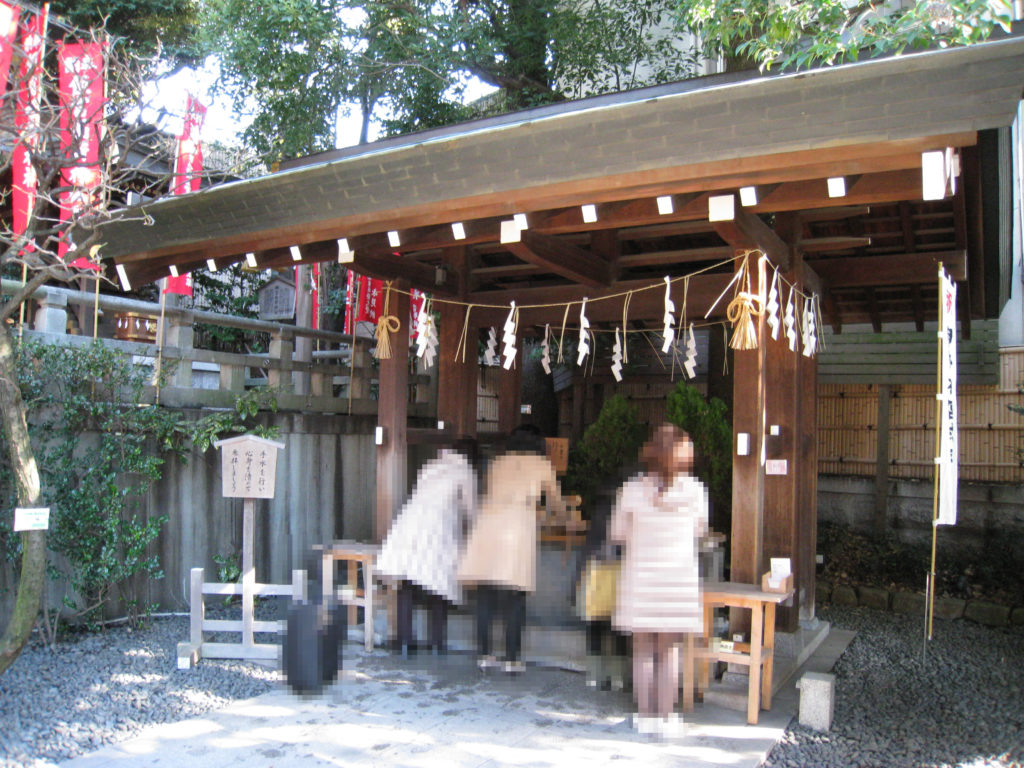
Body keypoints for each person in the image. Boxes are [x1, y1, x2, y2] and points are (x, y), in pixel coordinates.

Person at [610, 423, 708, 737]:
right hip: (677, 579)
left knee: (641, 650)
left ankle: (645, 716)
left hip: (641, 578)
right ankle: (667, 718)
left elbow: (617, 534)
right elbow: (700, 531)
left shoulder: (631, 489)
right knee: (669, 650)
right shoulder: (694, 491)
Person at [458, 428, 566, 673]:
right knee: (515, 596)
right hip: (516, 526)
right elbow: (557, 504)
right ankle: (512, 659)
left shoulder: (497, 463)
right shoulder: (542, 464)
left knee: (485, 594)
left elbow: (488, 492)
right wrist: (559, 517)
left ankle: (484, 654)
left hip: (487, 524)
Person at [375, 442, 478, 657]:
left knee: (408, 581)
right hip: (439, 526)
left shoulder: (431, 465)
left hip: (409, 522)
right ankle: (436, 643)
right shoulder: (464, 470)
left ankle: (404, 641)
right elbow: (471, 509)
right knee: (439, 584)